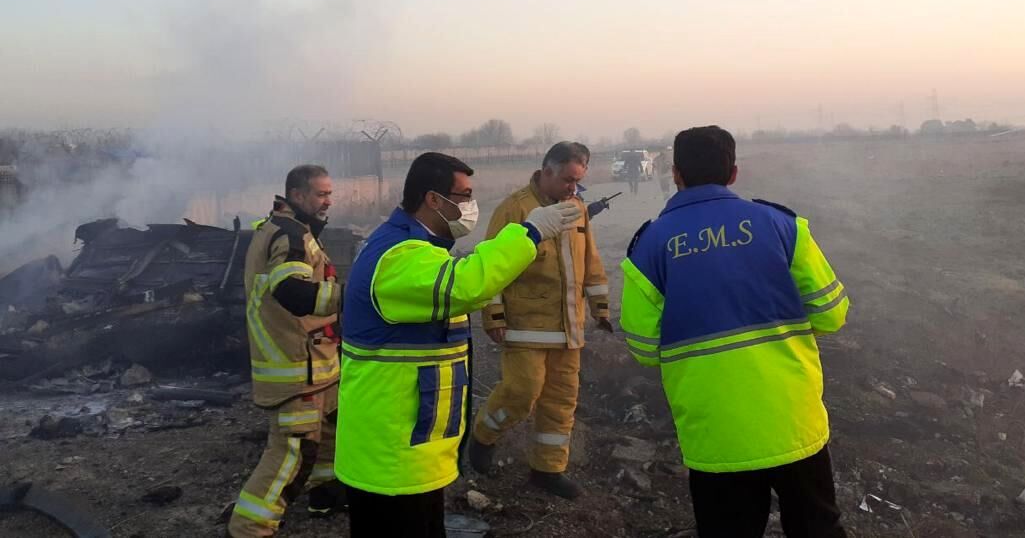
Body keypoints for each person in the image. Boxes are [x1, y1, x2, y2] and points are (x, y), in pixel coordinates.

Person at [335, 152, 581, 537]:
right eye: (463, 196)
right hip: (390, 460)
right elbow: (467, 285)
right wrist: (529, 233)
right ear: (433, 199)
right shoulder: (397, 255)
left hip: (411, 453)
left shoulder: (418, 248)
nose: (471, 205)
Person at [620, 126, 849, 538]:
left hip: (715, 434)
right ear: (734, 173)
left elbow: (644, 348)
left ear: (675, 173)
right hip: (793, 420)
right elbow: (832, 314)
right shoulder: (783, 226)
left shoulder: (650, 245)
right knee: (818, 528)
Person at [469, 142, 611, 499]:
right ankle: (483, 435)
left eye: (577, 182)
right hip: (524, 325)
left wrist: (600, 308)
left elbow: (590, 260)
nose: (572, 189)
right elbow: (492, 265)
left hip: (569, 328)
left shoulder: (577, 207)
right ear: (546, 171)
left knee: (561, 401)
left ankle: (548, 470)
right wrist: (494, 314)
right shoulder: (514, 208)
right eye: (566, 180)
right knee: (522, 392)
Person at [228, 165, 346, 538]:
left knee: (329, 432)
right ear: (296, 195)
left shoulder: (294, 229)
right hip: (295, 365)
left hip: (316, 361)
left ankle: (325, 493)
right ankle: (248, 529)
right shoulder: (290, 233)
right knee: (292, 452)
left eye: (329, 193)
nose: (328, 200)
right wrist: (350, 297)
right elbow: (292, 293)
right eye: (321, 194)